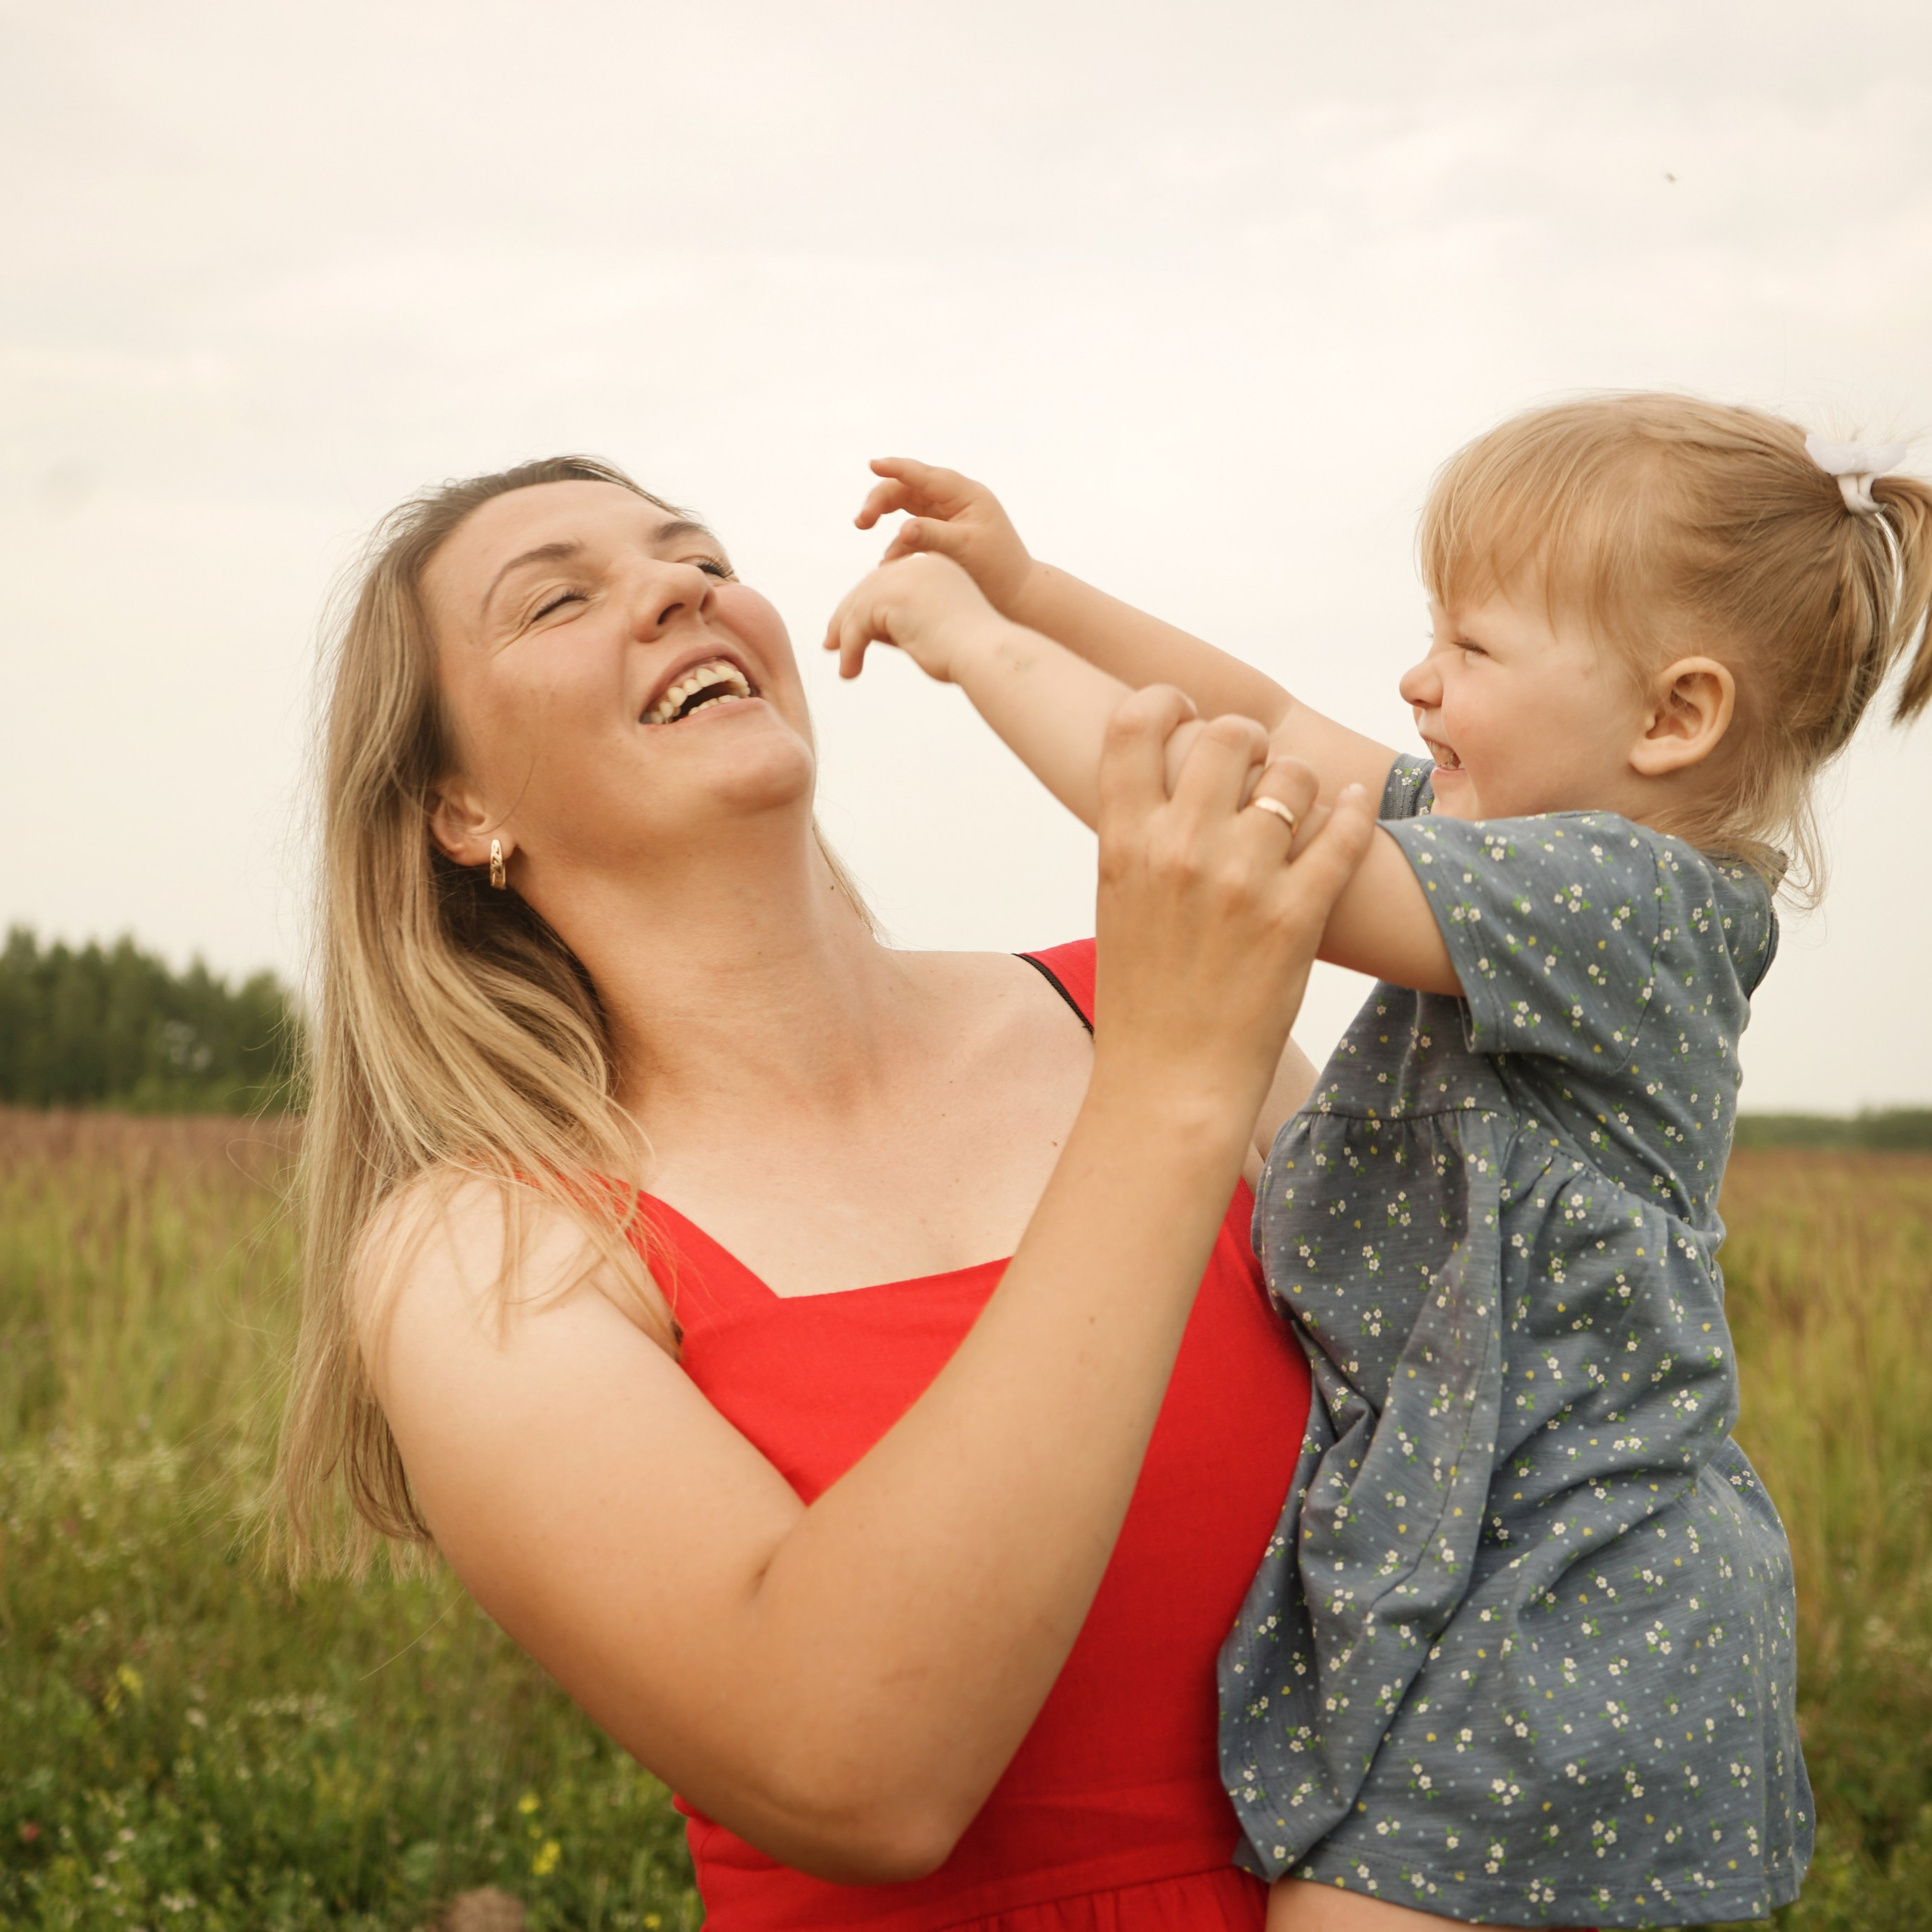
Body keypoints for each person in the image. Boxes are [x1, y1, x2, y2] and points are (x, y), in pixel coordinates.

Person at [826, 398, 1932, 1928]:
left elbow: (1221, 827)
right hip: (1485, 1565)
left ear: (1670, 715)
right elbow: (1263, 723)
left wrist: (968, 642)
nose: (1416, 679)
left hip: (1572, 1595)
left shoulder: (1628, 899)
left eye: (1470, 648)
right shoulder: (1498, 837)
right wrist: (1030, 585)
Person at [276, 454, 1380, 1932]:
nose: (679, 587)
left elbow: (1498, 1449)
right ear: (459, 806)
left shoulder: (1148, 1008)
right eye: (558, 598)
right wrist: (1169, 1095)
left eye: (698, 558)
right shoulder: (486, 1249)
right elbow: (853, 1767)